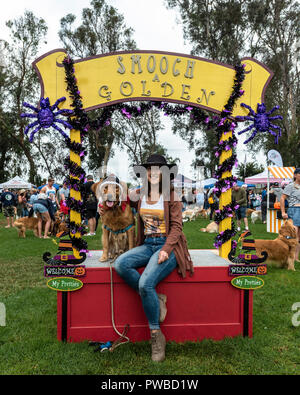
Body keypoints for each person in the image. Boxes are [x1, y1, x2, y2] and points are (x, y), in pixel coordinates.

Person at [112, 154, 193, 362]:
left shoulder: (172, 196)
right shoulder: (140, 195)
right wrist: (114, 181)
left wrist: (166, 249)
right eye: (150, 169)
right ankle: (155, 299)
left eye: (159, 169)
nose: (154, 172)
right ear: (145, 173)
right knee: (120, 264)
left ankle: (156, 336)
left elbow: (177, 227)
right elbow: (116, 199)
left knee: (145, 283)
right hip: (148, 244)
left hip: (170, 246)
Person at [280, 168, 300, 262]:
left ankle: (295, 258)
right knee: (293, 235)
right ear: (295, 175)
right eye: (299, 174)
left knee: (298, 237)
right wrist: (283, 212)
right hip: (294, 209)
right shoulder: (290, 186)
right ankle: (287, 256)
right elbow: (282, 198)